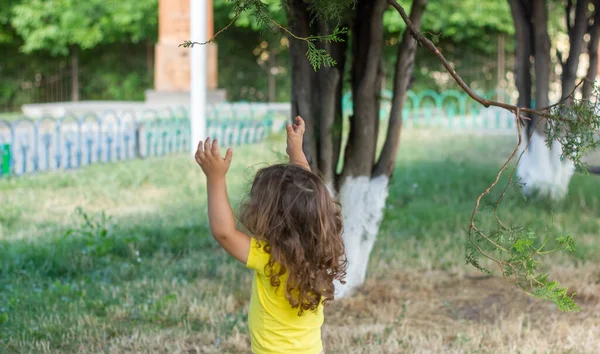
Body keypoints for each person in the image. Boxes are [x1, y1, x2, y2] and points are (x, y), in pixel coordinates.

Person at [194, 116, 347, 354]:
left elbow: (224, 233)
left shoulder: (270, 258)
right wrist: (296, 151)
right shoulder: (318, 253)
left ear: (275, 221)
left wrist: (215, 178)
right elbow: (305, 197)